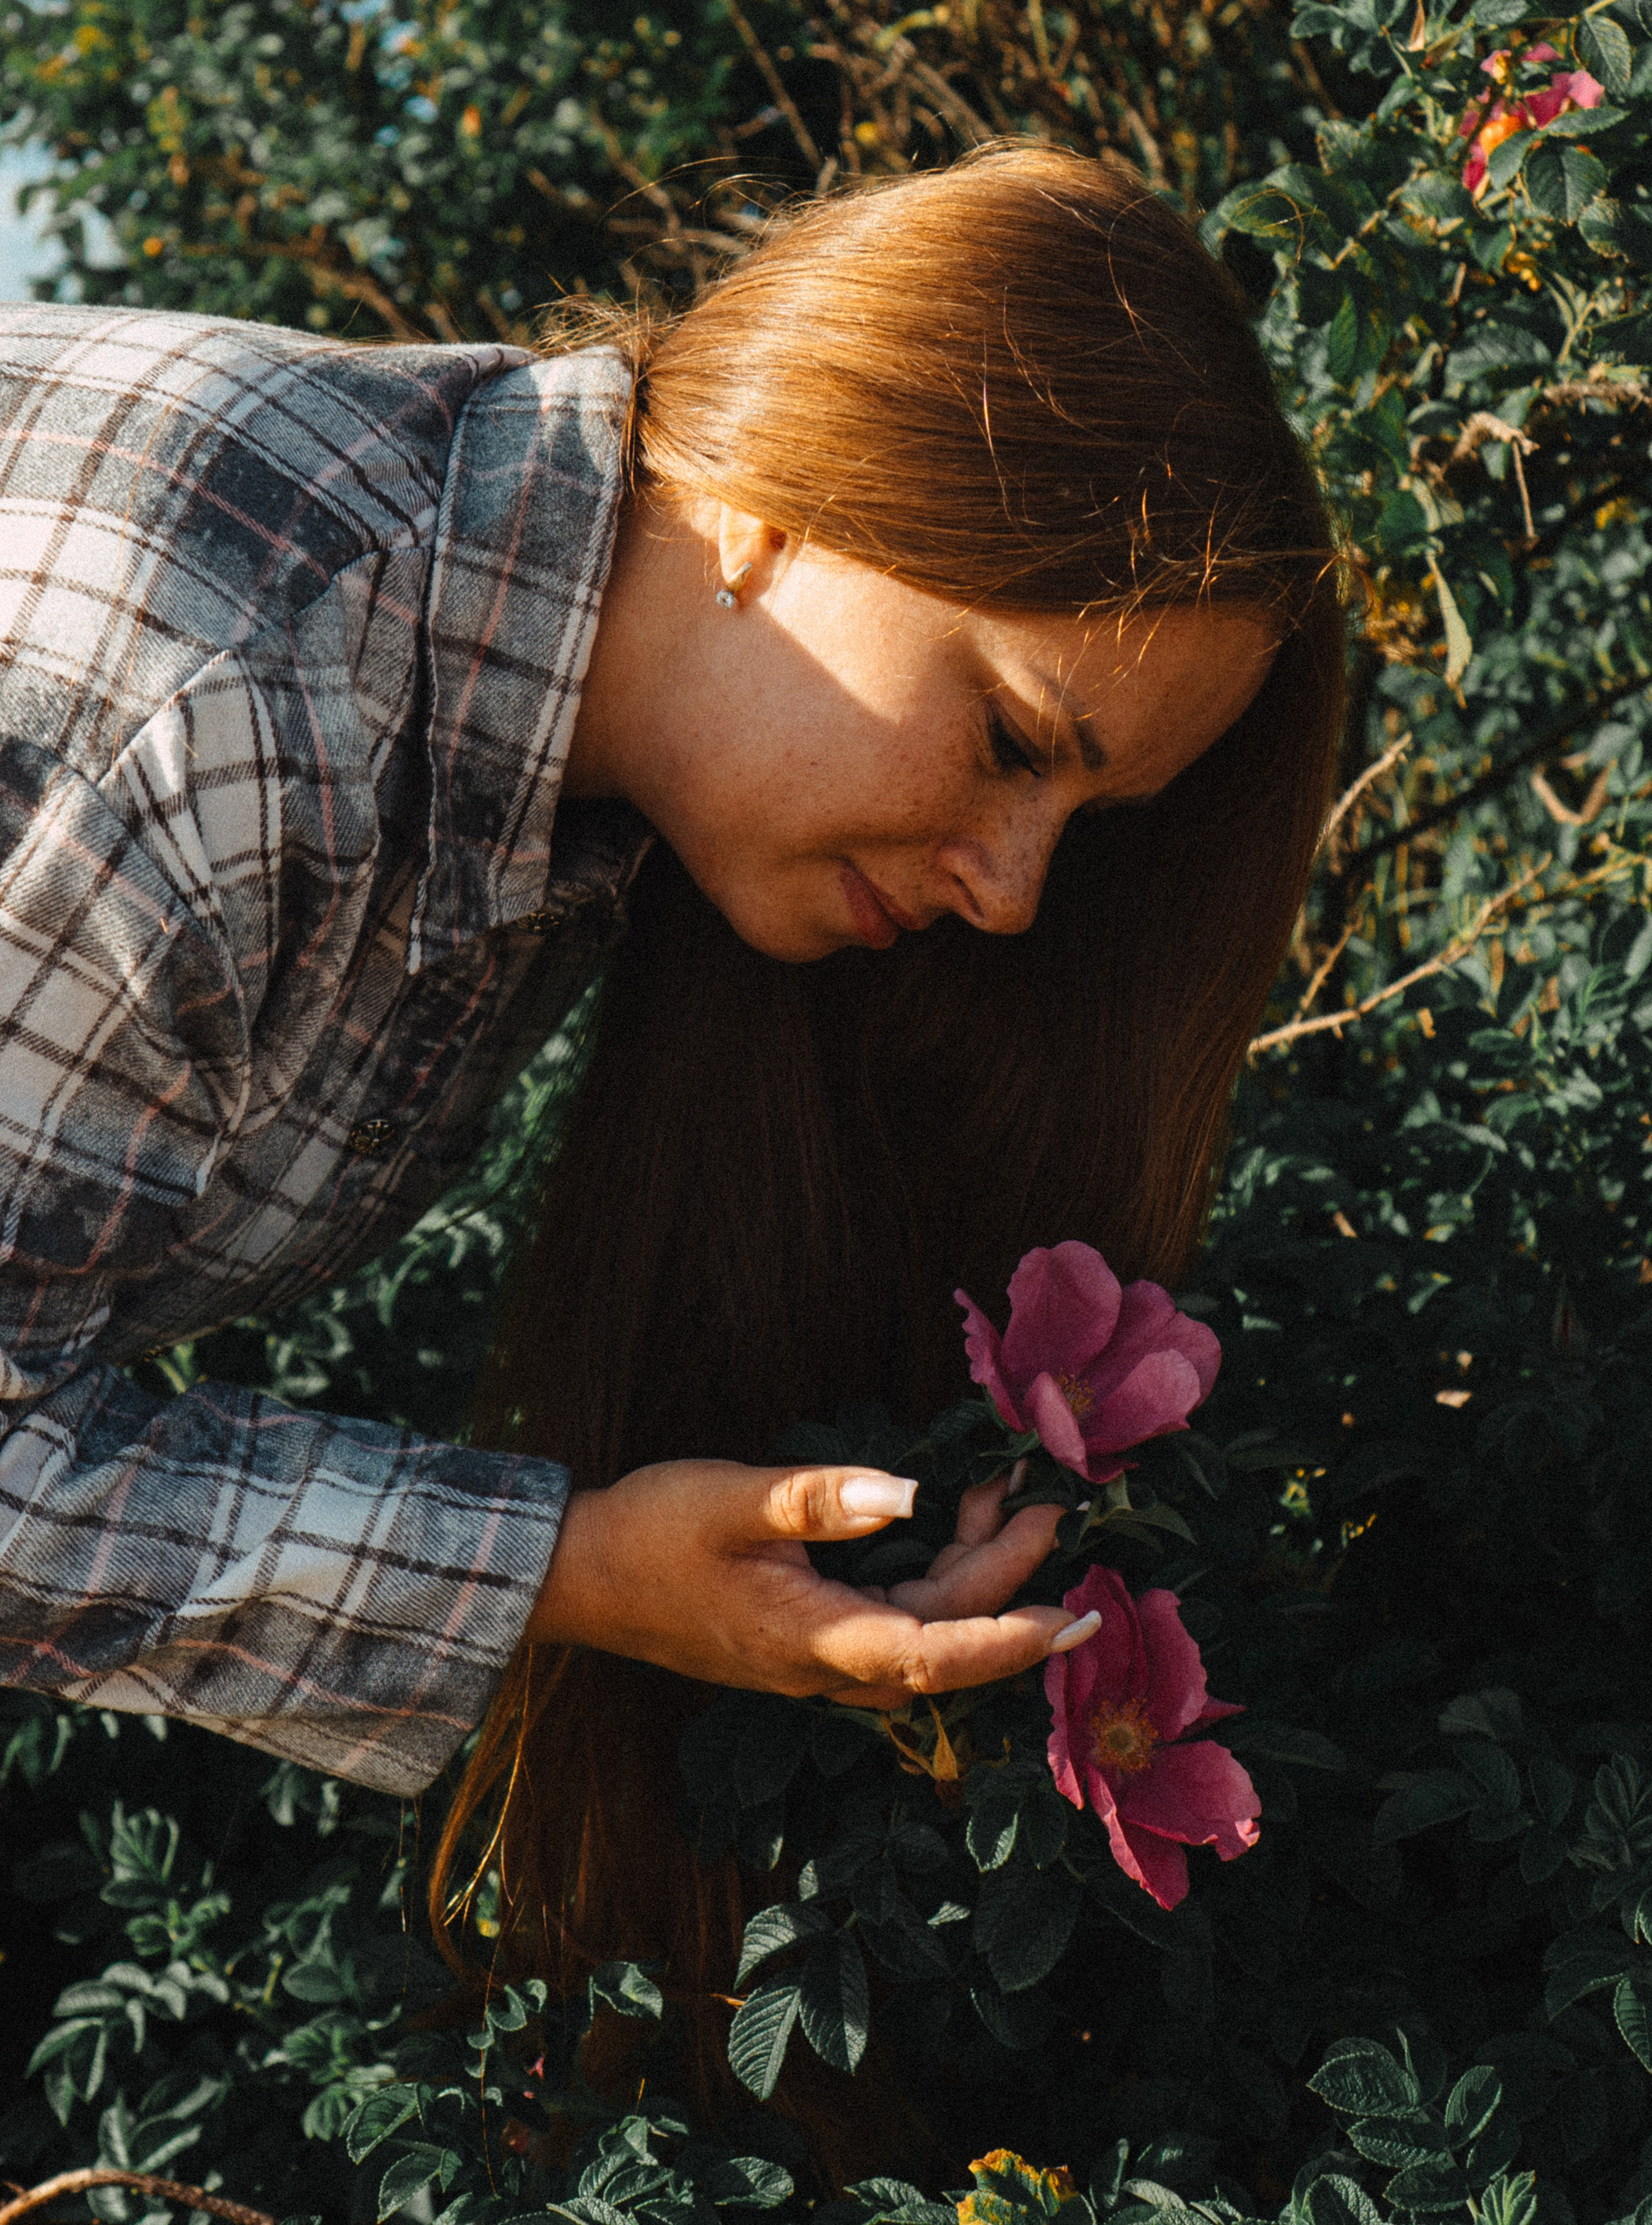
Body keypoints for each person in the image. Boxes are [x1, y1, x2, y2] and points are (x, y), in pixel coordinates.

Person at [0, 142, 1341, 2018]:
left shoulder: (552, 766)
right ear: (790, 491)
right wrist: (567, 1569)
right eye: (1017, 739)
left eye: (1084, 820)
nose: (1019, 892)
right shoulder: (244, 699)